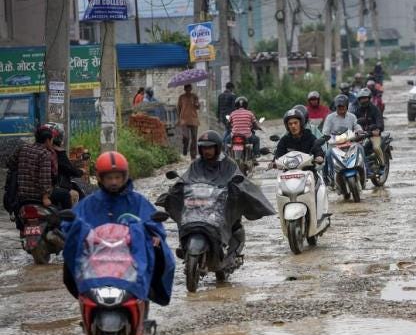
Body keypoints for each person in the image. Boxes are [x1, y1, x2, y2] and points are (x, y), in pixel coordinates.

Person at [61, 151, 176, 306]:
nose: (114, 182)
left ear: (125, 177)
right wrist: (71, 230)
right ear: (101, 178)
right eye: (109, 178)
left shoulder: (138, 201)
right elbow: (72, 224)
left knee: (161, 254)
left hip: (131, 259)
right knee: (69, 260)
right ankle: (84, 299)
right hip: (96, 259)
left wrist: (154, 235)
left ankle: (150, 291)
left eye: (117, 177)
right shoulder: (89, 203)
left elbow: (153, 222)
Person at [162, 131, 275, 268]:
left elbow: (239, 180)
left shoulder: (229, 164)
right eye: (203, 148)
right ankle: (184, 242)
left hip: (221, 206)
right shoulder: (196, 165)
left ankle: (230, 252)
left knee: (234, 219)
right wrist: (174, 190)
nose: (207, 151)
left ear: (218, 147)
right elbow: (186, 179)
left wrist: (236, 188)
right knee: (184, 214)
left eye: (210, 147)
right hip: (199, 206)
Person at [45, 122, 84, 207]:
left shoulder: (33, 150)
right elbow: (68, 168)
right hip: (54, 186)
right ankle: (68, 218)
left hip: (33, 191)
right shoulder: (56, 152)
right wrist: (80, 172)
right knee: (70, 195)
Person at [350, 88, 384, 167]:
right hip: (360, 135)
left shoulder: (375, 109)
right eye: (361, 99)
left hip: (373, 134)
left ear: (369, 98)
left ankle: (382, 164)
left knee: (376, 147)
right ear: (359, 100)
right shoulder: (356, 110)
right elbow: (352, 122)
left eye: (365, 98)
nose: (363, 100)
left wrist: (377, 128)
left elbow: (380, 121)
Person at [177, 84, 200, 160]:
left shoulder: (194, 96)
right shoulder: (181, 97)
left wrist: (196, 104)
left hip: (194, 119)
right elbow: (179, 108)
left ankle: (193, 155)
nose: (188, 90)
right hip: (184, 120)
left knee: (194, 138)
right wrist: (179, 119)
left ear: (191, 89)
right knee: (186, 137)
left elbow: (198, 107)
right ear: (184, 89)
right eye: (187, 89)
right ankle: (185, 148)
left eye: (190, 88)